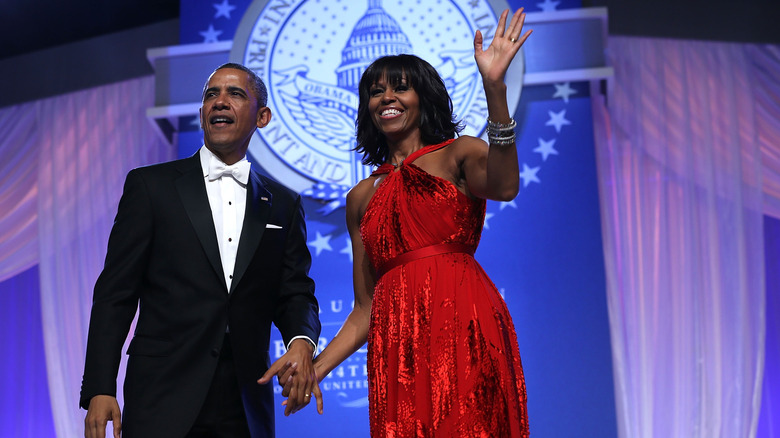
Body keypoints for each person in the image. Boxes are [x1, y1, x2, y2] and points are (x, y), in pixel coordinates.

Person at [280, 8, 532, 437]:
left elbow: (506, 186)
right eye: (376, 91)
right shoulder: (361, 196)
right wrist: (316, 370)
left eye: (400, 87)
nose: (386, 98)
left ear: (424, 97)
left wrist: (495, 90)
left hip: (464, 324)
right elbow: (364, 309)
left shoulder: (459, 153)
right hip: (398, 346)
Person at [80, 63, 321, 438]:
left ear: (263, 116)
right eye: (212, 94)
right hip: (161, 396)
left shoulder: (283, 204)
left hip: (245, 400)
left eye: (235, 94)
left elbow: (295, 293)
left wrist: (302, 342)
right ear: (202, 113)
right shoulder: (150, 186)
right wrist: (99, 386)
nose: (220, 102)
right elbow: (115, 294)